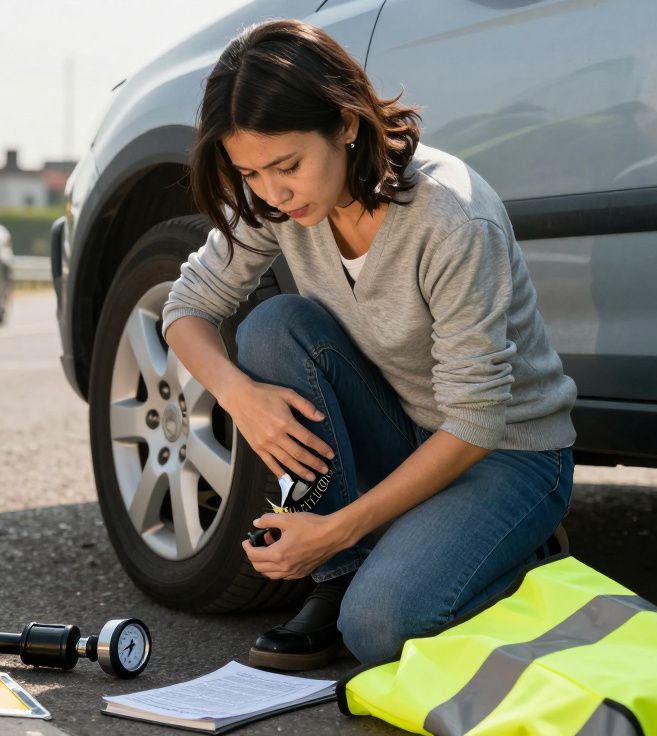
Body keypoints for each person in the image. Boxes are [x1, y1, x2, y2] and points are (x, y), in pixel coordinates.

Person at [160, 19, 579, 671]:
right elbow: (186, 308)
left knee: (381, 627)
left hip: (507, 454)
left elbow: (475, 422)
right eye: (252, 172)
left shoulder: (452, 218)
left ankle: (527, 555)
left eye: (287, 166)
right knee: (273, 329)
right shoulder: (279, 202)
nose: (272, 192)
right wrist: (238, 396)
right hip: (407, 426)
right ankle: (340, 575)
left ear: (347, 123)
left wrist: (335, 525)